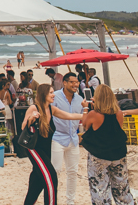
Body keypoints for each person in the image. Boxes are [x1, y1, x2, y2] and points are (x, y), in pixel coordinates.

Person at [21, 84, 85, 205]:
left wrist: (87, 114)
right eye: (50, 92)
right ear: (44, 94)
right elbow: (23, 127)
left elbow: (70, 116)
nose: (53, 94)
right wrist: (31, 119)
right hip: (34, 149)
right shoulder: (34, 108)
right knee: (51, 178)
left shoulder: (51, 109)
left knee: (37, 181)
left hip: (46, 150)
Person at [81, 84, 133, 205]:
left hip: (99, 154)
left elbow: (85, 125)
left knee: (100, 189)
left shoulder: (94, 114)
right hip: (117, 153)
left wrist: (85, 108)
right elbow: (116, 130)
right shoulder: (118, 113)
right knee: (122, 188)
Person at [51, 73, 84, 205]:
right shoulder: (55, 97)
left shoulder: (80, 99)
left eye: (76, 82)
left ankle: (70, 201)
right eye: (72, 82)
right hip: (57, 137)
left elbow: (82, 118)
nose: (75, 85)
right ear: (64, 83)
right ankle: (53, 200)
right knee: (55, 171)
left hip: (73, 139)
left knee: (73, 172)